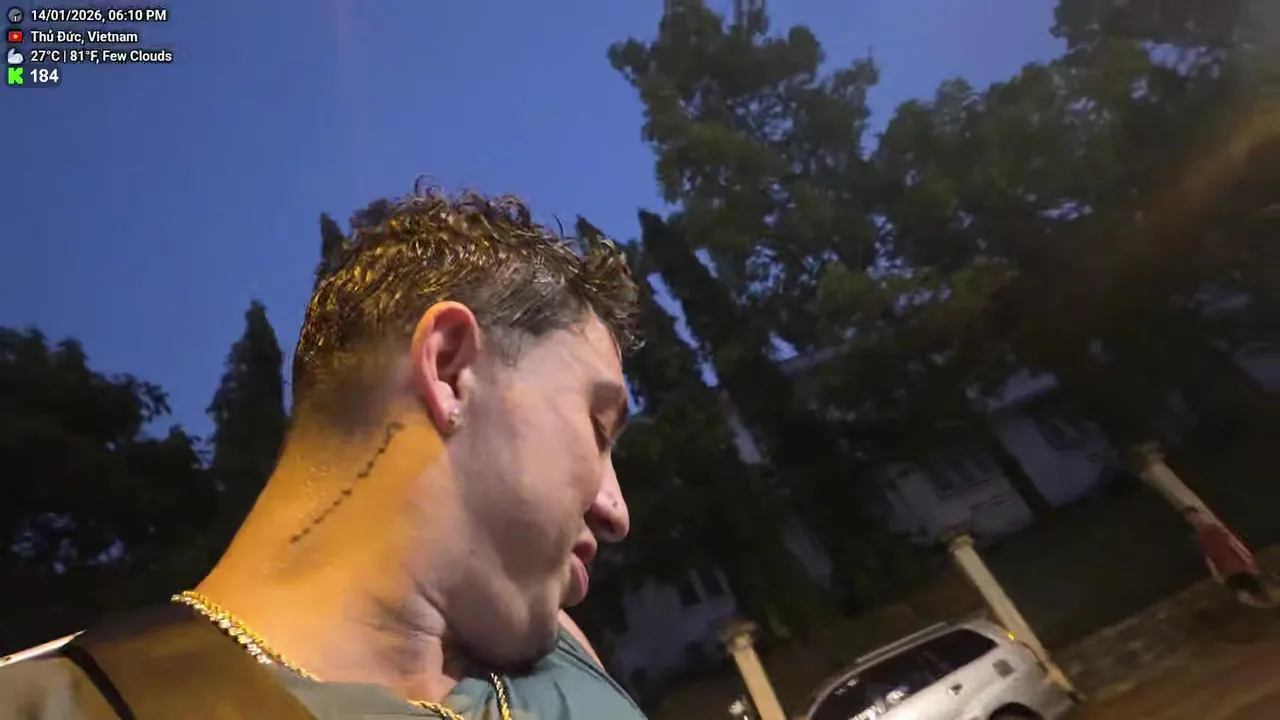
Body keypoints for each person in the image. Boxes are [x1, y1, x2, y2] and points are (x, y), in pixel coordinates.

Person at [0, 186, 648, 718]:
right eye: (597, 428)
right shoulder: (67, 704)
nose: (615, 511)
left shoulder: (559, 650)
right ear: (450, 370)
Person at [1181, 506, 1271, 608]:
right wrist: (1215, 572)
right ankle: (1260, 602)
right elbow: (1207, 555)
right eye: (1189, 517)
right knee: (1243, 585)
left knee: (1252, 585)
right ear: (1188, 520)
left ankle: (1265, 602)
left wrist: (1247, 559)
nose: (1193, 519)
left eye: (1193, 516)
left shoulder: (1214, 528)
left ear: (1198, 515)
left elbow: (1232, 543)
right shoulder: (1198, 537)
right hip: (1224, 566)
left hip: (1235, 561)